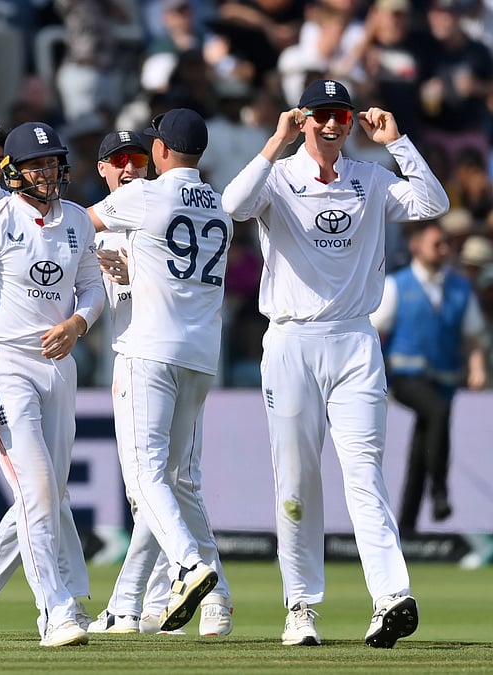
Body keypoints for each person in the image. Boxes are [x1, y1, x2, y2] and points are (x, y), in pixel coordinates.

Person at [221, 79, 449, 648]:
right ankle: (301, 607)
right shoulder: (277, 176)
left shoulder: (370, 179)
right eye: (320, 116)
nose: (330, 126)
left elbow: (433, 203)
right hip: (292, 341)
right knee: (296, 482)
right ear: (304, 120)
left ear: (351, 124)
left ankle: (391, 597)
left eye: (340, 118)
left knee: (364, 474)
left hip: (354, 341)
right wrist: (274, 143)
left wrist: (396, 143)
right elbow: (233, 206)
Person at [0, 121, 104, 648]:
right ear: (14, 172)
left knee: (49, 492)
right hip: (4, 365)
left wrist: (78, 323)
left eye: (53, 162)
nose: (48, 172)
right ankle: (55, 611)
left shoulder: (80, 221)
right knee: (37, 486)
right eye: (37, 165)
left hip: (59, 364)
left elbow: (92, 286)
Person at [87, 110, 233, 635]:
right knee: (172, 483)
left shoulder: (145, 196)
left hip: (148, 350)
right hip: (200, 354)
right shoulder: (219, 203)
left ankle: (191, 569)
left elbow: (74, 224)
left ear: (163, 152)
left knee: (146, 478)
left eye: (147, 150)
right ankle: (145, 605)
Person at [370, 220, 487, 532]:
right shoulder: (398, 285)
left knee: (423, 445)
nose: (444, 250)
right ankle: (439, 491)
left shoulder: (459, 288)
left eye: (446, 244)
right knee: (437, 411)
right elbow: (372, 331)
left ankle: (407, 526)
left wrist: (477, 367)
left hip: (443, 380)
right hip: (405, 378)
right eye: (437, 243)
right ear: (416, 246)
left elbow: (472, 335)